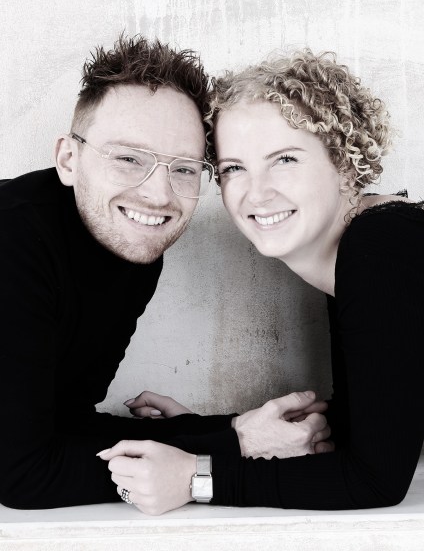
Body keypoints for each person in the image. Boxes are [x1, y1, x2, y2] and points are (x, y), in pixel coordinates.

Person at [0, 37, 329, 510]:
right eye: (127, 158)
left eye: (184, 169)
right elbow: (21, 475)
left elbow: (63, 427)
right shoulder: (15, 241)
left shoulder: (133, 245)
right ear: (68, 159)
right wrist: (235, 446)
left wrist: (231, 428)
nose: (158, 196)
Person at [100, 49, 424, 515]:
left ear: (343, 163)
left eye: (284, 159)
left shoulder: (382, 247)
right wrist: (216, 433)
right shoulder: (363, 248)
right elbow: (363, 430)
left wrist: (195, 479)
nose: (257, 193)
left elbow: (375, 481)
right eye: (234, 168)